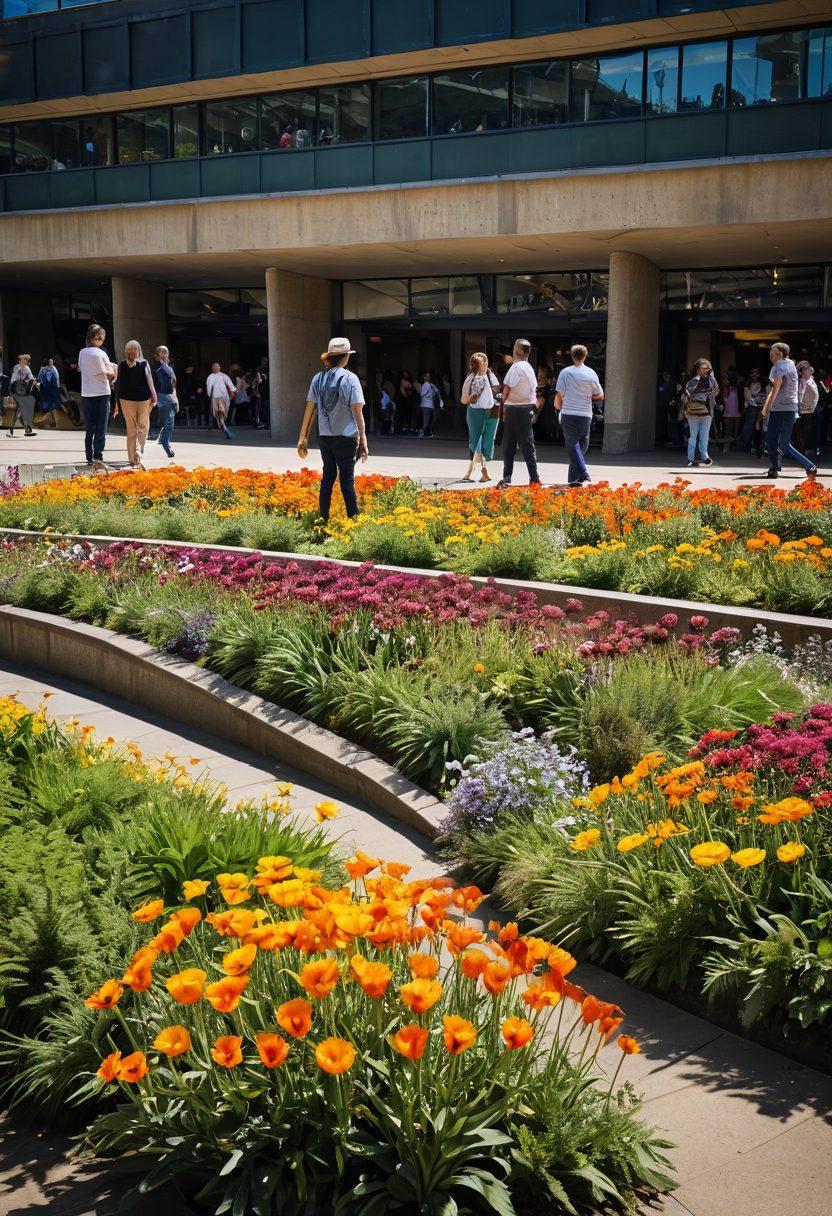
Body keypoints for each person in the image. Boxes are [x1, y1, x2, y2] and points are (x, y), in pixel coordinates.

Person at [296, 337, 369, 522]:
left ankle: (323, 518)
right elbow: (357, 410)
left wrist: (302, 436)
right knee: (347, 481)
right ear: (345, 358)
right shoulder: (350, 378)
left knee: (328, 476)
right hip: (346, 436)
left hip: (324, 436)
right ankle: (354, 521)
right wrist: (363, 438)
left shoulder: (318, 378)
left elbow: (310, 408)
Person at [760, 342, 817, 480]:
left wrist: (765, 408)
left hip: (779, 409)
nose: (771, 355)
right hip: (792, 409)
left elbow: (775, 388)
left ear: (780, 354)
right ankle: (808, 465)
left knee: (771, 439)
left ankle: (774, 468)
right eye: (771, 352)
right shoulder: (791, 364)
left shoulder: (777, 367)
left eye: (773, 353)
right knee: (784, 444)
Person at [554, 344, 604, 487]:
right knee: (582, 444)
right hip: (585, 414)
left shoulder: (565, 372)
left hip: (569, 413)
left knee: (572, 444)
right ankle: (574, 480)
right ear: (585, 356)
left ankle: (583, 471)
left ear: (572, 356)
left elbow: (559, 395)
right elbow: (600, 395)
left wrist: (558, 406)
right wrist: (588, 395)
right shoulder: (591, 373)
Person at [498, 338, 542, 488]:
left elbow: (508, 388)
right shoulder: (529, 367)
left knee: (508, 445)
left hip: (514, 409)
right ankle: (534, 477)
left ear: (517, 351)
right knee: (528, 445)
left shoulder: (516, 368)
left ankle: (507, 476)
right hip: (526, 408)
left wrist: (502, 401)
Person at [78, 324, 117, 469]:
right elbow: (108, 374)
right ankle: (98, 455)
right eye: (101, 337)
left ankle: (89, 455)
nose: (101, 340)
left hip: (87, 392)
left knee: (90, 427)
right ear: (96, 338)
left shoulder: (82, 352)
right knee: (101, 426)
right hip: (101, 392)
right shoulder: (100, 354)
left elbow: (81, 368)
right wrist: (112, 374)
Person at [115, 340, 156, 469]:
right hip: (131, 400)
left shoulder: (142, 364)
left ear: (138, 351)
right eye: (129, 351)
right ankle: (134, 456)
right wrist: (117, 402)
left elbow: (149, 382)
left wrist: (154, 396)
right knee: (136, 428)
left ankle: (137, 453)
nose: (132, 353)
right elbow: (119, 384)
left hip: (138, 399)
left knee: (139, 427)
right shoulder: (123, 365)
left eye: (133, 350)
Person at [460, 352, 500, 483]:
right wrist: (473, 396)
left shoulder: (489, 374)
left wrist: (488, 391)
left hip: (491, 411)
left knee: (487, 442)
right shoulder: (472, 378)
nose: (485, 365)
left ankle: (480, 471)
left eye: (485, 362)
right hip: (476, 413)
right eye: (483, 363)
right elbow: (465, 398)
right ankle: (477, 471)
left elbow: (496, 387)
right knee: (476, 442)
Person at [681, 359, 717, 468]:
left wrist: (712, 380)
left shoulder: (711, 380)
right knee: (693, 436)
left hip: (706, 411)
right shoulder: (693, 381)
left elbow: (716, 390)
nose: (706, 370)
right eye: (704, 368)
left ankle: (704, 457)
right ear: (698, 370)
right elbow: (686, 395)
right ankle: (690, 458)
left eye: (707, 368)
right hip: (695, 410)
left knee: (704, 435)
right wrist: (686, 409)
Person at [793, 361, 819, 456]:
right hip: (799, 409)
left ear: (809, 371)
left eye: (804, 369)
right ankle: (799, 450)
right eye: (802, 370)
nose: (803, 371)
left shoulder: (810, 382)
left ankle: (802, 451)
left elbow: (815, 397)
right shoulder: (801, 381)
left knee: (805, 432)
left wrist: (811, 408)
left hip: (807, 411)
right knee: (798, 431)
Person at [7, 354, 37, 438]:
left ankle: (27, 431)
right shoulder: (16, 368)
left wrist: (32, 381)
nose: (25, 362)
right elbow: (13, 381)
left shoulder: (27, 368)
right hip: (16, 390)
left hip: (24, 391)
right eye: (23, 360)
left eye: (26, 361)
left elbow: (31, 378)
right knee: (17, 411)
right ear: (19, 361)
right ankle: (11, 430)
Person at [206, 361, 236, 438]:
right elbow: (209, 387)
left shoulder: (223, 376)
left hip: (224, 397)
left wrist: (233, 390)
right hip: (216, 398)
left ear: (220, 367)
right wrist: (209, 395)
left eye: (218, 366)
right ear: (212, 368)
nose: (216, 367)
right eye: (215, 366)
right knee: (220, 412)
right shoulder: (210, 377)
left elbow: (230, 384)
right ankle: (225, 430)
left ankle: (225, 430)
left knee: (222, 414)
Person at [742, 368, 766, 457]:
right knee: (750, 425)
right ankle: (747, 444)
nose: (754, 375)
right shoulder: (747, 384)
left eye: (756, 373)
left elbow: (765, 396)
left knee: (759, 427)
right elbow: (747, 397)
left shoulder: (762, 384)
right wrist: (754, 399)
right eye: (752, 373)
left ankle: (758, 445)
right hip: (751, 407)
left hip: (761, 407)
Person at [36, 357, 61, 428]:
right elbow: (39, 378)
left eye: (52, 361)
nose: (51, 363)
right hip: (45, 389)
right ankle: (47, 422)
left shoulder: (54, 369)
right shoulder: (43, 369)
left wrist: (57, 387)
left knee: (53, 406)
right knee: (45, 405)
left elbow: (57, 379)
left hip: (53, 389)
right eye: (50, 361)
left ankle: (54, 422)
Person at [63, 357, 83, 425]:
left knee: (76, 406)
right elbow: (67, 382)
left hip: (75, 391)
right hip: (73, 391)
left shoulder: (73, 371)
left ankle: (77, 420)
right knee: (75, 406)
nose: (73, 365)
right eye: (72, 364)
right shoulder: (71, 371)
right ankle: (77, 421)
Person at [418, 371, 438, 437]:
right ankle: (423, 432)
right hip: (426, 405)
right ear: (424, 377)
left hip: (430, 405)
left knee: (429, 420)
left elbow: (436, 392)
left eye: (429, 376)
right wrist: (429, 395)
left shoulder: (431, 385)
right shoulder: (426, 384)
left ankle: (427, 432)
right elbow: (423, 394)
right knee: (426, 420)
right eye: (427, 376)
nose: (428, 377)